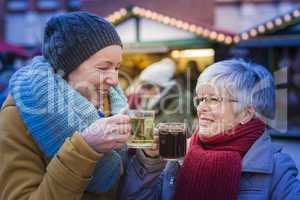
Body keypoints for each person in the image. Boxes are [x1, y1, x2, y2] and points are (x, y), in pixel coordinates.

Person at [0, 12, 165, 200]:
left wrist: (147, 158)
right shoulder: (20, 114)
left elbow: (121, 188)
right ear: (66, 68)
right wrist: (85, 148)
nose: (114, 80)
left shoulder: (113, 103)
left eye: (117, 68)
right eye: (103, 68)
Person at [121, 59, 300, 200]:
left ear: (246, 114)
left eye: (213, 99)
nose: (201, 108)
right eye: (200, 99)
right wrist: (150, 160)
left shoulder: (277, 167)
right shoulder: (179, 152)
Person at [127, 58, 194, 126]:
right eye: (142, 86)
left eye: (148, 86)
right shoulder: (152, 99)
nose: (143, 91)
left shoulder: (178, 102)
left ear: (162, 86)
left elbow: (180, 130)